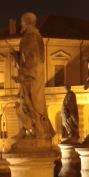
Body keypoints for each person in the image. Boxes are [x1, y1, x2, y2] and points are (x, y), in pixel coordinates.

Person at [11, 12, 55, 141]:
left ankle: (37, 130)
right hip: (29, 77)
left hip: (30, 78)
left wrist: (23, 74)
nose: (21, 24)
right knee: (23, 104)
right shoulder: (32, 36)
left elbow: (32, 58)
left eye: (22, 21)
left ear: (28, 22)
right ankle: (25, 130)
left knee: (27, 105)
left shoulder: (31, 37)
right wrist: (16, 56)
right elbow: (26, 57)